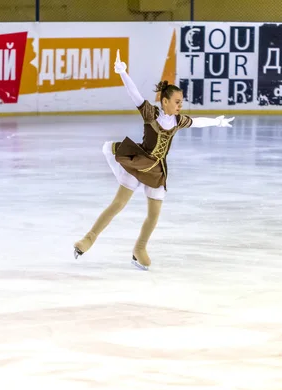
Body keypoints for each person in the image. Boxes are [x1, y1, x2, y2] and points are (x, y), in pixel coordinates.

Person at [73, 50, 234, 270]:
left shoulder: (178, 121)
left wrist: (217, 122)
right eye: (177, 102)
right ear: (165, 101)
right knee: (118, 204)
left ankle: (139, 248)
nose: (180, 105)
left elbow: (197, 122)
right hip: (138, 162)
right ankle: (89, 239)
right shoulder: (152, 114)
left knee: (154, 214)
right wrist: (122, 72)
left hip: (157, 170)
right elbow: (135, 94)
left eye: (181, 102)